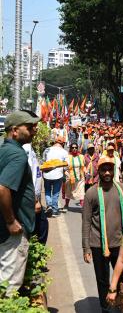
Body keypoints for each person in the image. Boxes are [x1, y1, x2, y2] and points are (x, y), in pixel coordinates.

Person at [82, 156, 123, 313]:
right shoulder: (91, 193)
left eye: (109, 169)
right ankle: (105, 308)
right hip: (98, 245)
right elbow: (86, 221)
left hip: (121, 243)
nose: (107, 172)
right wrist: (86, 247)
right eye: (103, 169)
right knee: (102, 280)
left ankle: (121, 306)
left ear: (114, 171)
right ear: (98, 171)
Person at [0, 110, 39, 293]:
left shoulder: (5, 150)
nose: (34, 130)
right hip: (12, 230)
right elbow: (2, 188)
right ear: (15, 130)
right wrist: (11, 221)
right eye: (30, 127)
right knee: (10, 284)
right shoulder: (18, 155)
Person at [23, 142, 48, 244]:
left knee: (40, 226)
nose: (36, 128)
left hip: (34, 197)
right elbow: (27, 176)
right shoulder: (26, 148)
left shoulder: (30, 147)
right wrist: (35, 200)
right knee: (39, 227)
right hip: (31, 199)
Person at [43, 136, 69, 217]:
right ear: (63, 143)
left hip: (46, 174)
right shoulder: (64, 152)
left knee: (47, 190)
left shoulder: (47, 150)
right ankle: (54, 210)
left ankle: (49, 206)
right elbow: (66, 166)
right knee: (56, 192)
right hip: (58, 175)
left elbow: (43, 160)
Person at [64, 142, 85, 209]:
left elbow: (83, 166)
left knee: (81, 193)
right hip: (70, 178)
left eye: (76, 147)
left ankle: (83, 207)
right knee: (69, 193)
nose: (74, 149)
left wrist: (86, 172)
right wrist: (68, 176)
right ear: (70, 149)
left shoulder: (81, 156)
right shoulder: (67, 157)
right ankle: (66, 205)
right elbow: (65, 168)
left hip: (80, 179)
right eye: (73, 147)